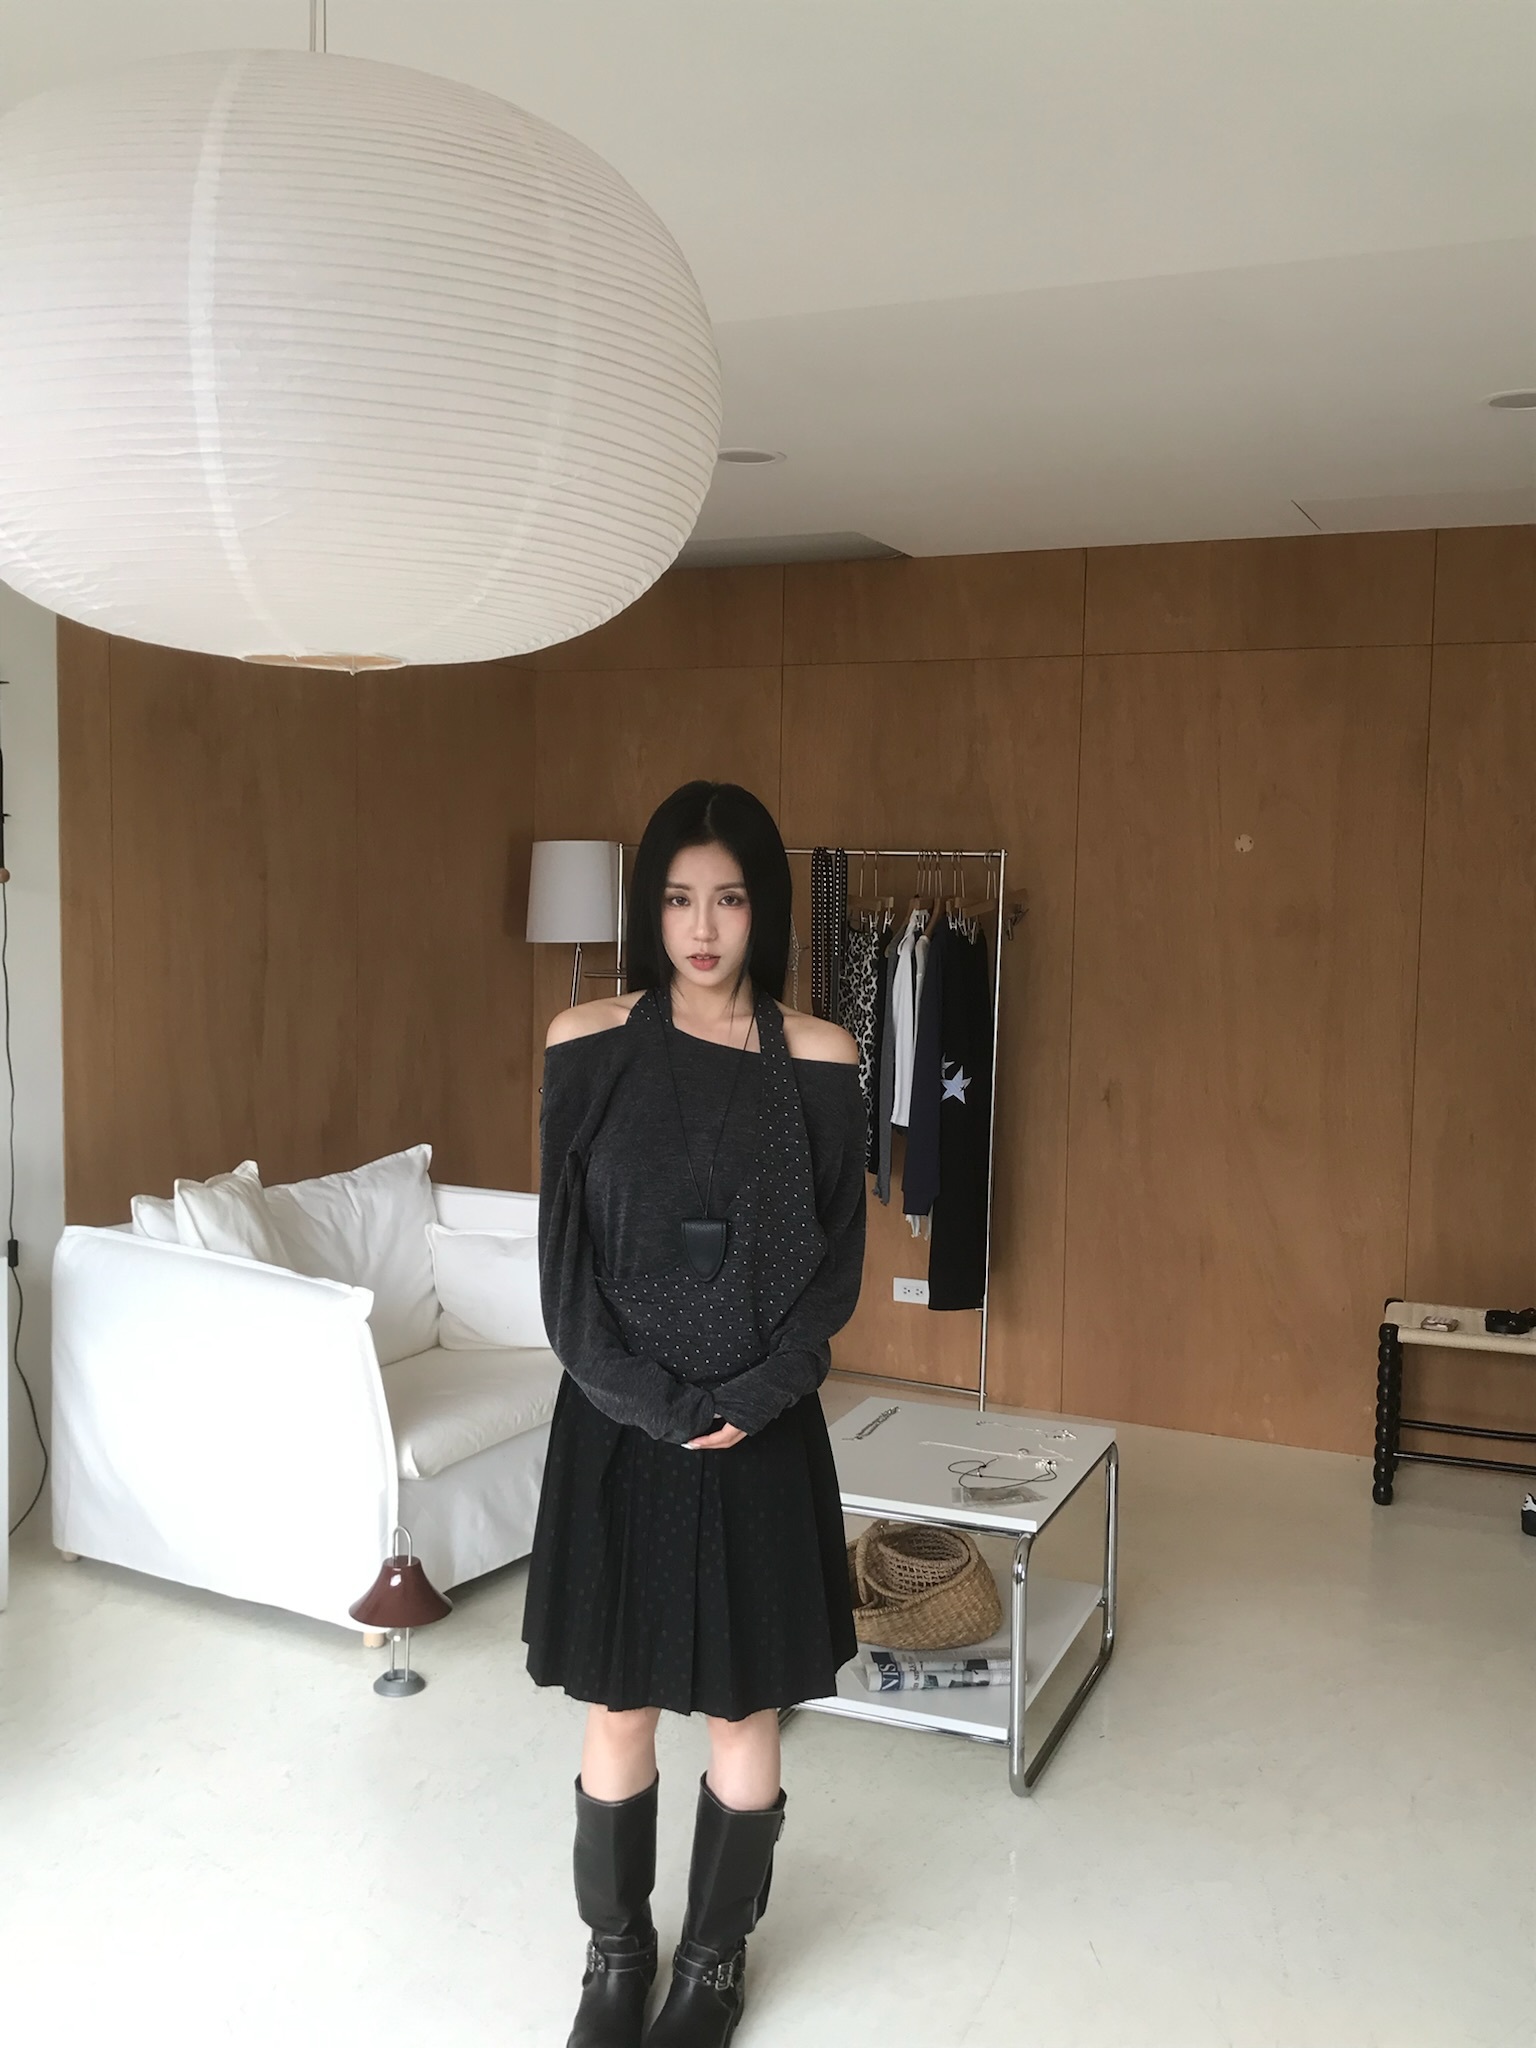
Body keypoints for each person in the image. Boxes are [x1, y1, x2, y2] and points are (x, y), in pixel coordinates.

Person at [522, 781, 867, 2048]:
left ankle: (712, 1965)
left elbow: (833, 1274)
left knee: (741, 1706)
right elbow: (565, 1276)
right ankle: (618, 1956)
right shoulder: (586, 1040)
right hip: (620, 1429)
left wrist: (746, 1401)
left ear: (763, 905)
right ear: (649, 908)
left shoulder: (822, 1056)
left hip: (760, 1432)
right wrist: (657, 1404)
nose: (703, 927)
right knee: (618, 1702)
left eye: (727, 897)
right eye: (677, 898)